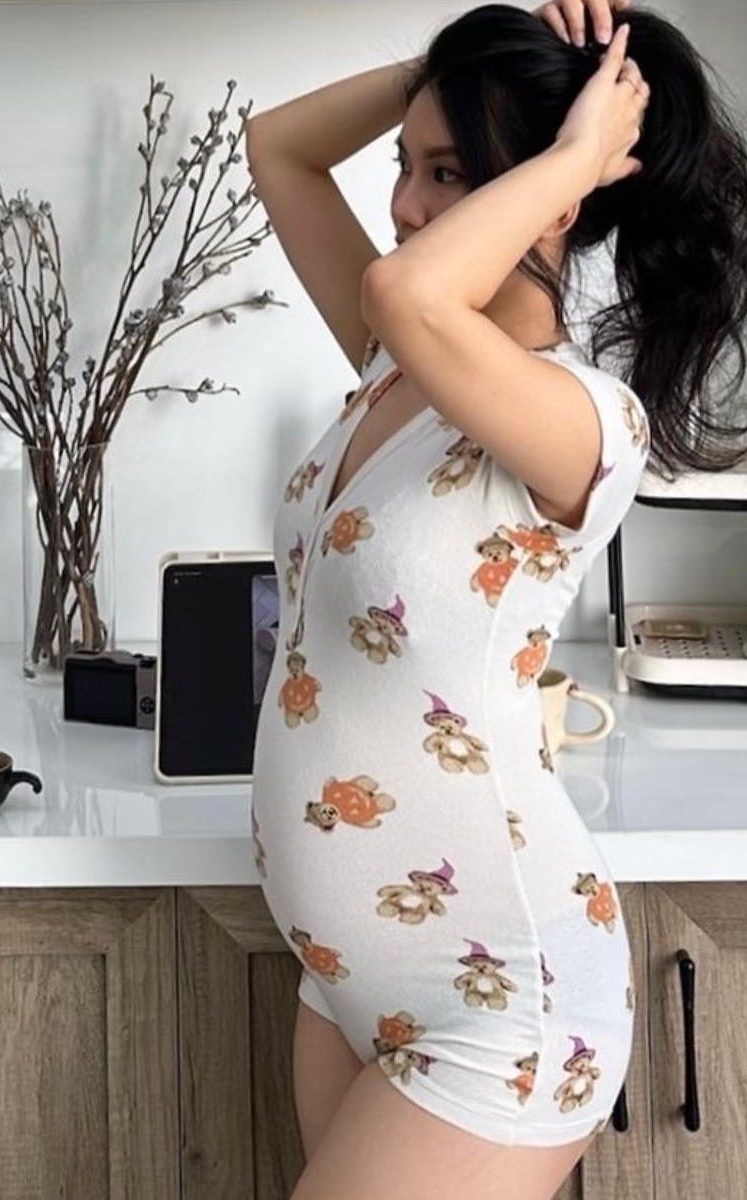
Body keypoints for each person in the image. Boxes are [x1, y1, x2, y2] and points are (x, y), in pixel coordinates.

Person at [244, 1, 747, 1196]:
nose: (405, 205)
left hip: (504, 1007)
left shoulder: (583, 417)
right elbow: (277, 148)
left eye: (451, 174)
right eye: (406, 166)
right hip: (347, 982)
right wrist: (467, 64)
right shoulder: (394, 371)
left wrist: (577, 146)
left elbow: (408, 291)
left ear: (553, 200)